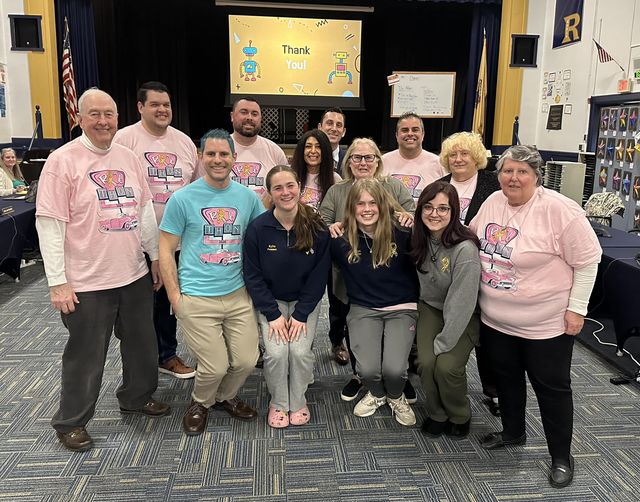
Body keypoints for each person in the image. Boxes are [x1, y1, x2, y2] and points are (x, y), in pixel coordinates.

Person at [35, 89, 170, 452]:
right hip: (87, 282)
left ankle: (137, 397)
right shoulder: (62, 161)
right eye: (94, 114)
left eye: (109, 114)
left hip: (133, 274)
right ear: (80, 118)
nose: (103, 121)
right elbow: (50, 224)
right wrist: (58, 282)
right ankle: (72, 421)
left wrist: (154, 256)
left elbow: (143, 211)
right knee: (86, 354)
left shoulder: (128, 157)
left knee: (143, 344)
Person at [469, 145, 602, 488]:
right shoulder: (494, 201)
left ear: (536, 176)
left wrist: (577, 310)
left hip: (547, 324)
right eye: (507, 171)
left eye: (522, 172)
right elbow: (472, 238)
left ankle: (561, 456)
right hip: (497, 319)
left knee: (552, 389)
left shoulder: (560, 210)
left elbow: (587, 262)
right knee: (507, 380)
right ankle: (513, 432)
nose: (513, 178)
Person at [159, 128, 264, 436]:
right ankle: (201, 402)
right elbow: (165, 249)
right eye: (211, 154)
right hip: (197, 296)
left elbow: (260, 239)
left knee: (247, 360)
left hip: (237, 294)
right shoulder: (182, 198)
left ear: (234, 157)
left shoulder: (247, 198)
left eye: (224, 154)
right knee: (215, 366)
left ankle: (224, 397)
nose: (218, 160)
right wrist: (175, 297)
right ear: (200, 156)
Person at [319, 137, 415, 402]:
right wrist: (335, 226)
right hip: (349, 273)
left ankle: (396, 376)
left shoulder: (393, 186)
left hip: (390, 270)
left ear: (378, 161)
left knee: (393, 327)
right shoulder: (338, 191)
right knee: (357, 324)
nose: (362, 162)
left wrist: (407, 218)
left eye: (368, 157)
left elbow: (411, 214)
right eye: (356, 157)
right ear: (348, 162)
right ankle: (360, 375)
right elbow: (322, 220)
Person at [114, 81, 198, 380]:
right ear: (140, 107)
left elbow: (196, 190)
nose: (162, 110)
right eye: (155, 105)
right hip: (134, 241)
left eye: (166, 105)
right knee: (136, 308)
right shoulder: (124, 140)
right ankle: (139, 365)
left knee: (167, 300)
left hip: (176, 242)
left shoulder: (185, 142)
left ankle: (166, 354)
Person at [243, 166, 330, 428]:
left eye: (290, 185)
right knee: (277, 354)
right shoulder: (258, 228)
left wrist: (302, 314)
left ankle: (298, 400)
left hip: (305, 301)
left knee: (301, 352)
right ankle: (279, 403)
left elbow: (319, 276)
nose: (285, 192)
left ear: (299, 188)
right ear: (269, 193)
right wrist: (273, 315)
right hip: (272, 301)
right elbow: (253, 276)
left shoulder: (316, 226)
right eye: (278, 188)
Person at [331, 178, 419, 426]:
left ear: (383, 205)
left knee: (394, 370)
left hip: (402, 308)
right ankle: (377, 394)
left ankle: (395, 395)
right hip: (363, 308)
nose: (367, 209)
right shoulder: (340, 239)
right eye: (360, 203)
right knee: (367, 370)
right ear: (351, 207)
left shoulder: (403, 233)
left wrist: (412, 219)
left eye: (372, 203)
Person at [411, 181, 481, 439]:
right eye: (428, 207)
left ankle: (460, 414)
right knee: (427, 363)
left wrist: (444, 342)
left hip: (463, 315)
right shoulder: (420, 238)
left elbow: (461, 303)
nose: (434, 214)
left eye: (443, 208)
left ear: (454, 213)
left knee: (446, 366)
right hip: (430, 308)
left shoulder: (465, 249)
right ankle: (437, 413)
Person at [438, 132, 501, 416]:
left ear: (476, 157)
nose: (459, 159)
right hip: (446, 267)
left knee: (487, 333)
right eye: (453, 154)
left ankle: (494, 390)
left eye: (464, 153)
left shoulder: (493, 186)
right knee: (449, 317)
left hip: (486, 268)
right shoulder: (438, 186)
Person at [291, 129, 347, 365]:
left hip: (328, 249)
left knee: (336, 299)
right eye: (308, 146)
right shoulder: (292, 176)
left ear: (326, 151)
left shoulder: (334, 179)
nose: (313, 151)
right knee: (304, 299)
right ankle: (303, 347)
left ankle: (337, 341)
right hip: (298, 249)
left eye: (318, 147)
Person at [230, 97, 288, 206]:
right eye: (244, 112)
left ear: (260, 119)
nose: (249, 117)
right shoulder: (220, 149)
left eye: (254, 114)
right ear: (232, 116)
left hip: (264, 219)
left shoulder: (275, 151)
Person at [382, 112, 446, 201]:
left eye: (415, 130)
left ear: (423, 134)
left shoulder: (439, 163)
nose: (410, 134)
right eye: (405, 130)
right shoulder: (383, 162)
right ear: (396, 135)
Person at [318, 107, 347, 174]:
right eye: (329, 123)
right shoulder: (310, 157)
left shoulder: (349, 159)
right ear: (320, 128)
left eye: (338, 125)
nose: (334, 129)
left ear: (344, 132)